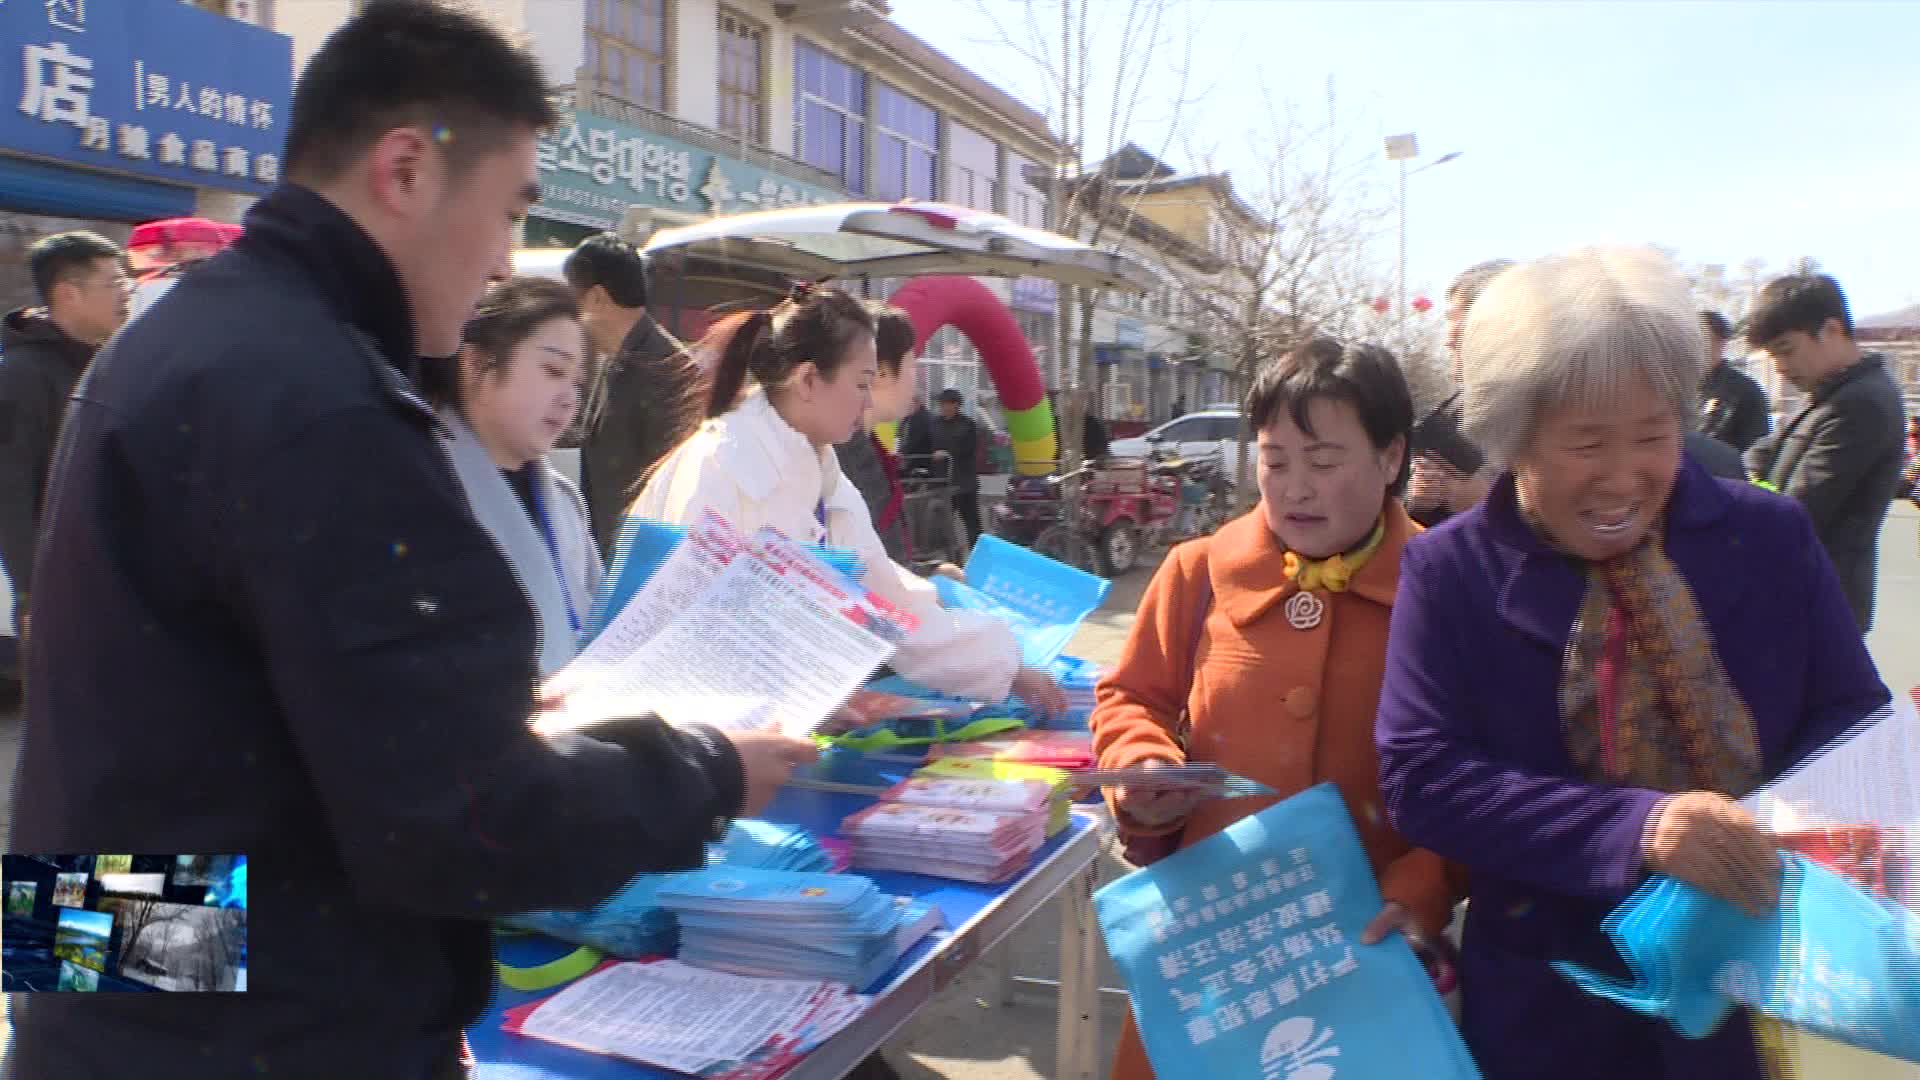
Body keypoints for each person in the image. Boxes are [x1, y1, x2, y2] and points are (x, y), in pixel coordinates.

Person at [1, 4, 815, 1075]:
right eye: (510, 209)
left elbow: (190, 724)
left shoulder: (177, 342)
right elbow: (461, 819)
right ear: (405, 170)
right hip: (251, 1037)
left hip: (110, 969)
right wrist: (705, 775)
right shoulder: (321, 401)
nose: (504, 261)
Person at [1375, 246, 1891, 1080]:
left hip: (1741, 982)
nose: (1624, 478)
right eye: (1586, 445)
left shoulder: (1768, 538)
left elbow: (1850, 718)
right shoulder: (1453, 570)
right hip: (1547, 1001)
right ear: (1513, 436)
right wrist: (1642, 827)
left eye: (1653, 436)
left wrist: (1771, 825)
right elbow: (1421, 774)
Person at [1093, 337, 1459, 1080]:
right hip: (1211, 946)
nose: (1294, 488)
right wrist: (1143, 768)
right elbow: (1133, 697)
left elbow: (1484, 773)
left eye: (1323, 462)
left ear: (1390, 460)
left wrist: (1425, 887)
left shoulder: (1449, 591)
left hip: (1370, 945)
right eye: (1274, 460)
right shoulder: (1196, 572)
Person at [632, 286, 1066, 713]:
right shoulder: (727, 465)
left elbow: (886, 599)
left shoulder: (817, 464)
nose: (866, 402)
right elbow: (701, 640)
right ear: (807, 380)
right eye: (862, 382)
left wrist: (1005, 667)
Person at [419, 276, 600, 675]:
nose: (569, 398)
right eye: (553, 370)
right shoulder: (422, 482)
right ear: (477, 363)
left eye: (578, 383)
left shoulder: (566, 504)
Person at [1743, 272, 1907, 634]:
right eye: (1773, 356)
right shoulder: (1828, 395)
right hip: (1796, 593)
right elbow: (1758, 454)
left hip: (1820, 605)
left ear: (1831, 330)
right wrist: (1756, 481)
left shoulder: (1861, 403)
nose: (1781, 368)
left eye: (1786, 350)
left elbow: (1799, 509)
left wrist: (1752, 491)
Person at [0, 231, 131, 635]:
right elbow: (11, 488)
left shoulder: (111, 360)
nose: (127, 292)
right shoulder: (21, 376)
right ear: (69, 293)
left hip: (112, 574)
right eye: (113, 282)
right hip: (61, 586)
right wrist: (31, 592)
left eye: (126, 279)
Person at [563, 231, 702, 558]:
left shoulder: (670, 370)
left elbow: (674, 488)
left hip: (640, 565)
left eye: (571, 297)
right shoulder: (611, 356)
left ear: (596, 298)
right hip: (605, 555)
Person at [1406, 258, 1511, 526]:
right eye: (1448, 320)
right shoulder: (1447, 419)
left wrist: (1488, 501)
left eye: (1458, 319)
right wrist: (1419, 503)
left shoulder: (1546, 411)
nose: (1449, 337)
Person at [835, 304, 918, 564]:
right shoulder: (843, 455)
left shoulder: (865, 446)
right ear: (879, 371)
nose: (917, 379)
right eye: (912, 365)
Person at [1697, 310, 1770, 453]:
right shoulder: (1677, 387)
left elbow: (1757, 448)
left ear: (1722, 343)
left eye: (1703, 339)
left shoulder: (1746, 391)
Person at [924, 387, 984, 547]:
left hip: (964, 482)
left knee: (971, 521)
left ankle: (977, 552)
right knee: (941, 522)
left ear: (956, 405)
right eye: (941, 404)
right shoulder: (935, 424)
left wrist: (948, 453)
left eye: (946, 404)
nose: (943, 407)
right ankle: (947, 554)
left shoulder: (967, 424)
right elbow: (927, 446)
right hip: (942, 481)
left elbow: (970, 448)